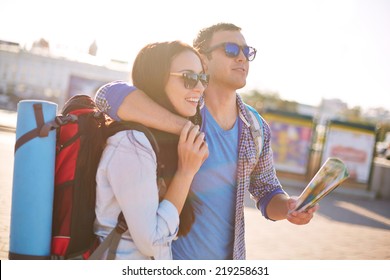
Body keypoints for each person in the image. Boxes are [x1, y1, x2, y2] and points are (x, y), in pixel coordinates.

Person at [95, 23, 318, 260]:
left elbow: (266, 189)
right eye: (231, 49)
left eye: (247, 51)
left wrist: (289, 208)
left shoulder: (256, 127)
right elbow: (106, 96)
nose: (242, 57)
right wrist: (185, 127)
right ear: (203, 57)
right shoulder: (180, 107)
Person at [93, 41, 209, 259]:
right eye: (189, 77)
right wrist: (186, 172)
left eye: (203, 78)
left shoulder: (166, 140)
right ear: (157, 78)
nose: (200, 87)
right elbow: (153, 243)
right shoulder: (132, 143)